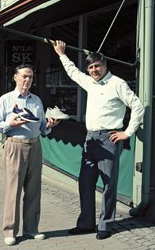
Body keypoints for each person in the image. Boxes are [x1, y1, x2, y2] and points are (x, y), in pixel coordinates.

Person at [53, 40, 144, 240]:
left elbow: (137, 106)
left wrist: (127, 132)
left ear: (104, 65)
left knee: (108, 184)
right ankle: (86, 224)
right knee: (85, 182)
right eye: (91, 67)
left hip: (109, 138)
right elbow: (73, 72)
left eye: (97, 66)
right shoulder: (90, 82)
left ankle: (105, 225)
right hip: (90, 139)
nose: (94, 70)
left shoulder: (117, 83)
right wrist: (61, 54)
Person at [0, 64, 60, 246]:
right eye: (24, 76)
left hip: (35, 146)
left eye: (30, 77)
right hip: (14, 146)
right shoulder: (5, 100)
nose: (28, 80)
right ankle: (10, 231)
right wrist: (10, 124)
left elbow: (42, 128)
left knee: (34, 190)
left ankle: (31, 229)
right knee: (13, 191)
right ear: (15, 77)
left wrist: (49, 126)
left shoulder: (36, 100)